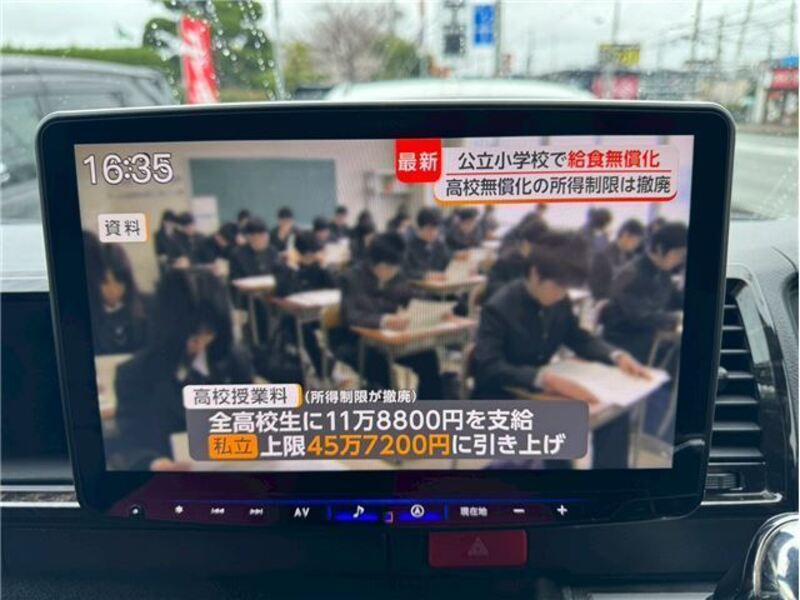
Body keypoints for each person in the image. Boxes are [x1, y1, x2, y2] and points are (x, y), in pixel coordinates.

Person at [473, 230, 647, 468]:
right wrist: (543, 379)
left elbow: (578, 338)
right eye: (558, 287)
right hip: (502, 394)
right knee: (562, 429)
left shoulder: (559, 300)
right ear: (535, 274)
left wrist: (616, 355)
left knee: (614, 415)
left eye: (567, 288)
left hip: (543, 392)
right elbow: (488, 366)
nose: (562, 294)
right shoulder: (499, 307)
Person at [114, 268, 253, 470]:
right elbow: (130, 445)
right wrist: (154, 463)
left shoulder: (235, 360)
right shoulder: (135, 373)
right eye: (190, 334)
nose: (198, 342)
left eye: (208, 332)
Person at [340, 233, 443, 399]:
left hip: (391, 341)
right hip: (358, 342)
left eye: (395, 267)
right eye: (388, 267)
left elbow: (412, 296)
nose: (393, 272)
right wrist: (385, 320)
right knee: (381, 370)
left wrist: (437, 310)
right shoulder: (351, 278)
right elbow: (351, 316)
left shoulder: (396, 276)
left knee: (428, 357)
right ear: (375, 263)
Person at [600, 222, 688, 364]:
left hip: (649, 338)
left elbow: (675, 298)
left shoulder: (662, 271)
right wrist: (676, 318)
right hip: (625, 342)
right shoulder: (631, 273)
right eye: (678, 254)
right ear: (660, 249)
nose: (679, 261)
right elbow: (640, 316)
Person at [275, 231, 338, 377]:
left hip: (319, 313)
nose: (311, 258)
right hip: (296, 317)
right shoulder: (283, 268)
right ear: (299, 253)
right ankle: (322, 366)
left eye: (313, 254)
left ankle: (333, 362)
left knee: (338, 324)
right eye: (308, 255)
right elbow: (285, 293)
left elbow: (335, 288)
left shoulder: (318, 267)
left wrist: (324, 266)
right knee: (301, 327)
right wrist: (293, 267)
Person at [84, 232, 148, 355]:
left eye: (119, 281)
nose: (113, 289)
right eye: (105, 282)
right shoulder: (90, 315)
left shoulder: (147, 308)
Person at [484, 216, 549, 301]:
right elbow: (492, 288)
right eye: (539, 246)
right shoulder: (506, 261)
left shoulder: (539, 263)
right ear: (526, 244)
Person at [588, 219, 645, 300]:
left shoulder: (627, 255)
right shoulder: (604, 256)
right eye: (636, 240)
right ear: (625, 235)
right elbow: (599, 290)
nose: (636, 244)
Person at [403, 207, 452, 281]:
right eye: (430, 229)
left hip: (440, 285)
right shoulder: (407, 247)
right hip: (418, 286)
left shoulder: (439, 245)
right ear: (419, 228)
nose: (434, 233)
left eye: (436, 228)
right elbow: (405, 271)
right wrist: (425, 275)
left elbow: (448, 260)